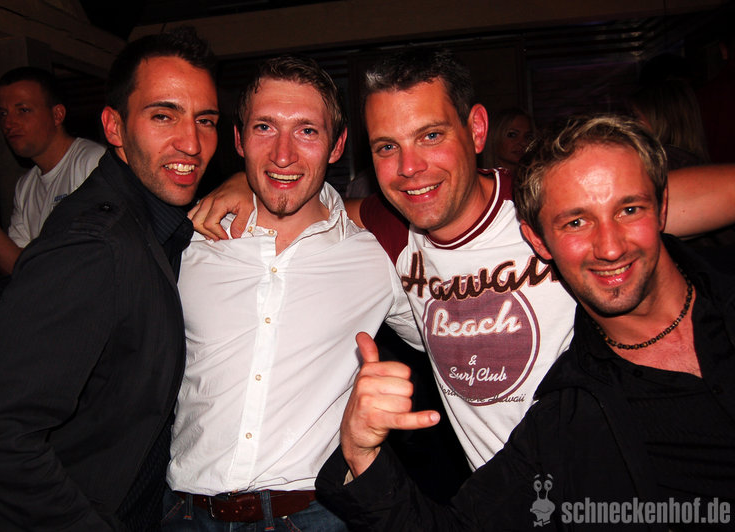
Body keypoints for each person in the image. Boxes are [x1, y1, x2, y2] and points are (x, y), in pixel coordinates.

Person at [196, 47, 735, 475]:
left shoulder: (545, 204)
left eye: (431, 136)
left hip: (619, 475)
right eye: (387, 147)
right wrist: (246, 181)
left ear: (476, 130)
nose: (410, 168)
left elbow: (658, 202)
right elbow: (313, 201)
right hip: (499, 500)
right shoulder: (390, 230)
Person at [315, 114, 735, 531]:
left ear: (662, 208)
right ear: (538, 241)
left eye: (628, 209)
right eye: (576, 222)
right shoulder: (566, 413)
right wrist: (361, 455)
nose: (609, 247)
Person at [0, 27, 219, 531]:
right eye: (163, 116)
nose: (192, 143)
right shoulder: (97, 246)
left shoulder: (158, 226)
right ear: (114, 127)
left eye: (205, 120)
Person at [162, 55, 421, 532]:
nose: (283, 155)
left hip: (314, 515)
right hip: (185, 514)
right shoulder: (187, 243)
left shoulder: (376, 257)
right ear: (239, 140)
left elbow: (449, 336)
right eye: (264, 127)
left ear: (337, 145)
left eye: (307, 131)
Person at [0, 66, 105, 275]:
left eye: (23, 110)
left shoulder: (92, 162)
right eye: (3, 113)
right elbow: (16, 267)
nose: (9, 123)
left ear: (57, 115)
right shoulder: (26, 186)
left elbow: (95, 258)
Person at [482, 106, 534, 176]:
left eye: (527, 136)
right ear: (495, 137)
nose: (523, 143)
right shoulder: (479, 180)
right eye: (512, 135)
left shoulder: (536, 179)